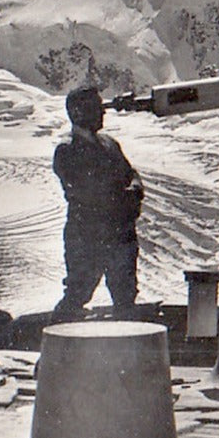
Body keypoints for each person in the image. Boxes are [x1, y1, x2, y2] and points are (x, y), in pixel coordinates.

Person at [52, 87, 144, 321]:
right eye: (96, 107)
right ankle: (57, 349)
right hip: (87, 236)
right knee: (78, 293)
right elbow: (84, 192)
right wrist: (123, 200)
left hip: (120, 235)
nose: (102, 113)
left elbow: (130, 172)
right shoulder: (66, 151)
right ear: (78, 112)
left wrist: (135, 187)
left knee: (125, 296)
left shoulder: (110, 144)